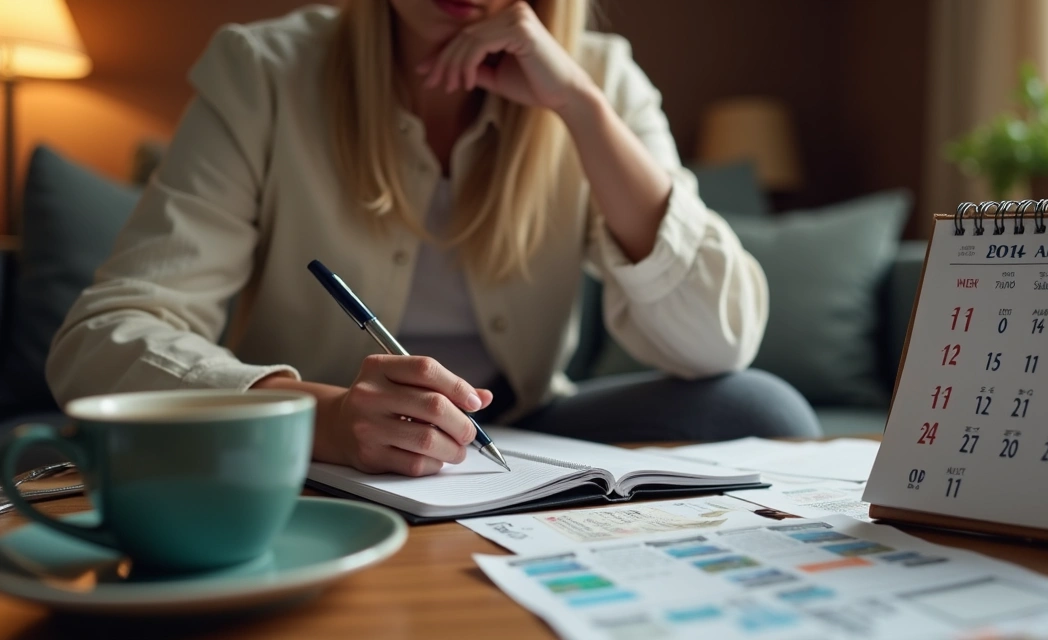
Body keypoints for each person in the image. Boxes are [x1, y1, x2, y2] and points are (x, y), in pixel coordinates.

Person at [46, 0, 819, 478]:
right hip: (325, 439)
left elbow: (719, 343)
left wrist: (580, 108)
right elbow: (102, 341)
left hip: (515, 436)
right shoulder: (265, 73)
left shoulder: (599, 79)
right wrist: (321, 416)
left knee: (760, 409)